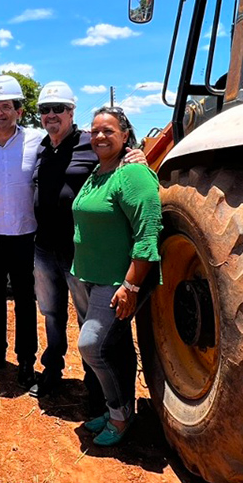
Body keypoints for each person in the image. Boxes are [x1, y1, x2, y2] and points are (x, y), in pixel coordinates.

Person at [29, 82, 144, 402]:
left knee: (88, 320)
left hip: (81, 251)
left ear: (71, 112)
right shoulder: (42, 147)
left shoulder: (89, 143)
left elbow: (118, 159)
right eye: (45, 110)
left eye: (58, 109)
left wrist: (137, 156)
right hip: (44, 248)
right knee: (51, 314)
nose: (51, 115)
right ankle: (53, 369)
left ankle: (96, 389)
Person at [72, 106, 162, 447]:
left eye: (108, 130)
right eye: (94, 131)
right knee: (116, 347)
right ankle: (119, 409)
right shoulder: (99, 171)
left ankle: (120, 416)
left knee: (92, 346)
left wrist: (130, 285)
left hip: (115, 281)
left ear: (125, 135)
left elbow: (148, 232)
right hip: (90, 276)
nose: (99, 136)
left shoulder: (133, 174)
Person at [0, 75, 43, 386]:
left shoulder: (37, 141)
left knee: (26, 299)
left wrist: (130, 154)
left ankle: (26, 359)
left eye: (6, 107)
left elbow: (79, 144)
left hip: (25, 234)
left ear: (19, 111)